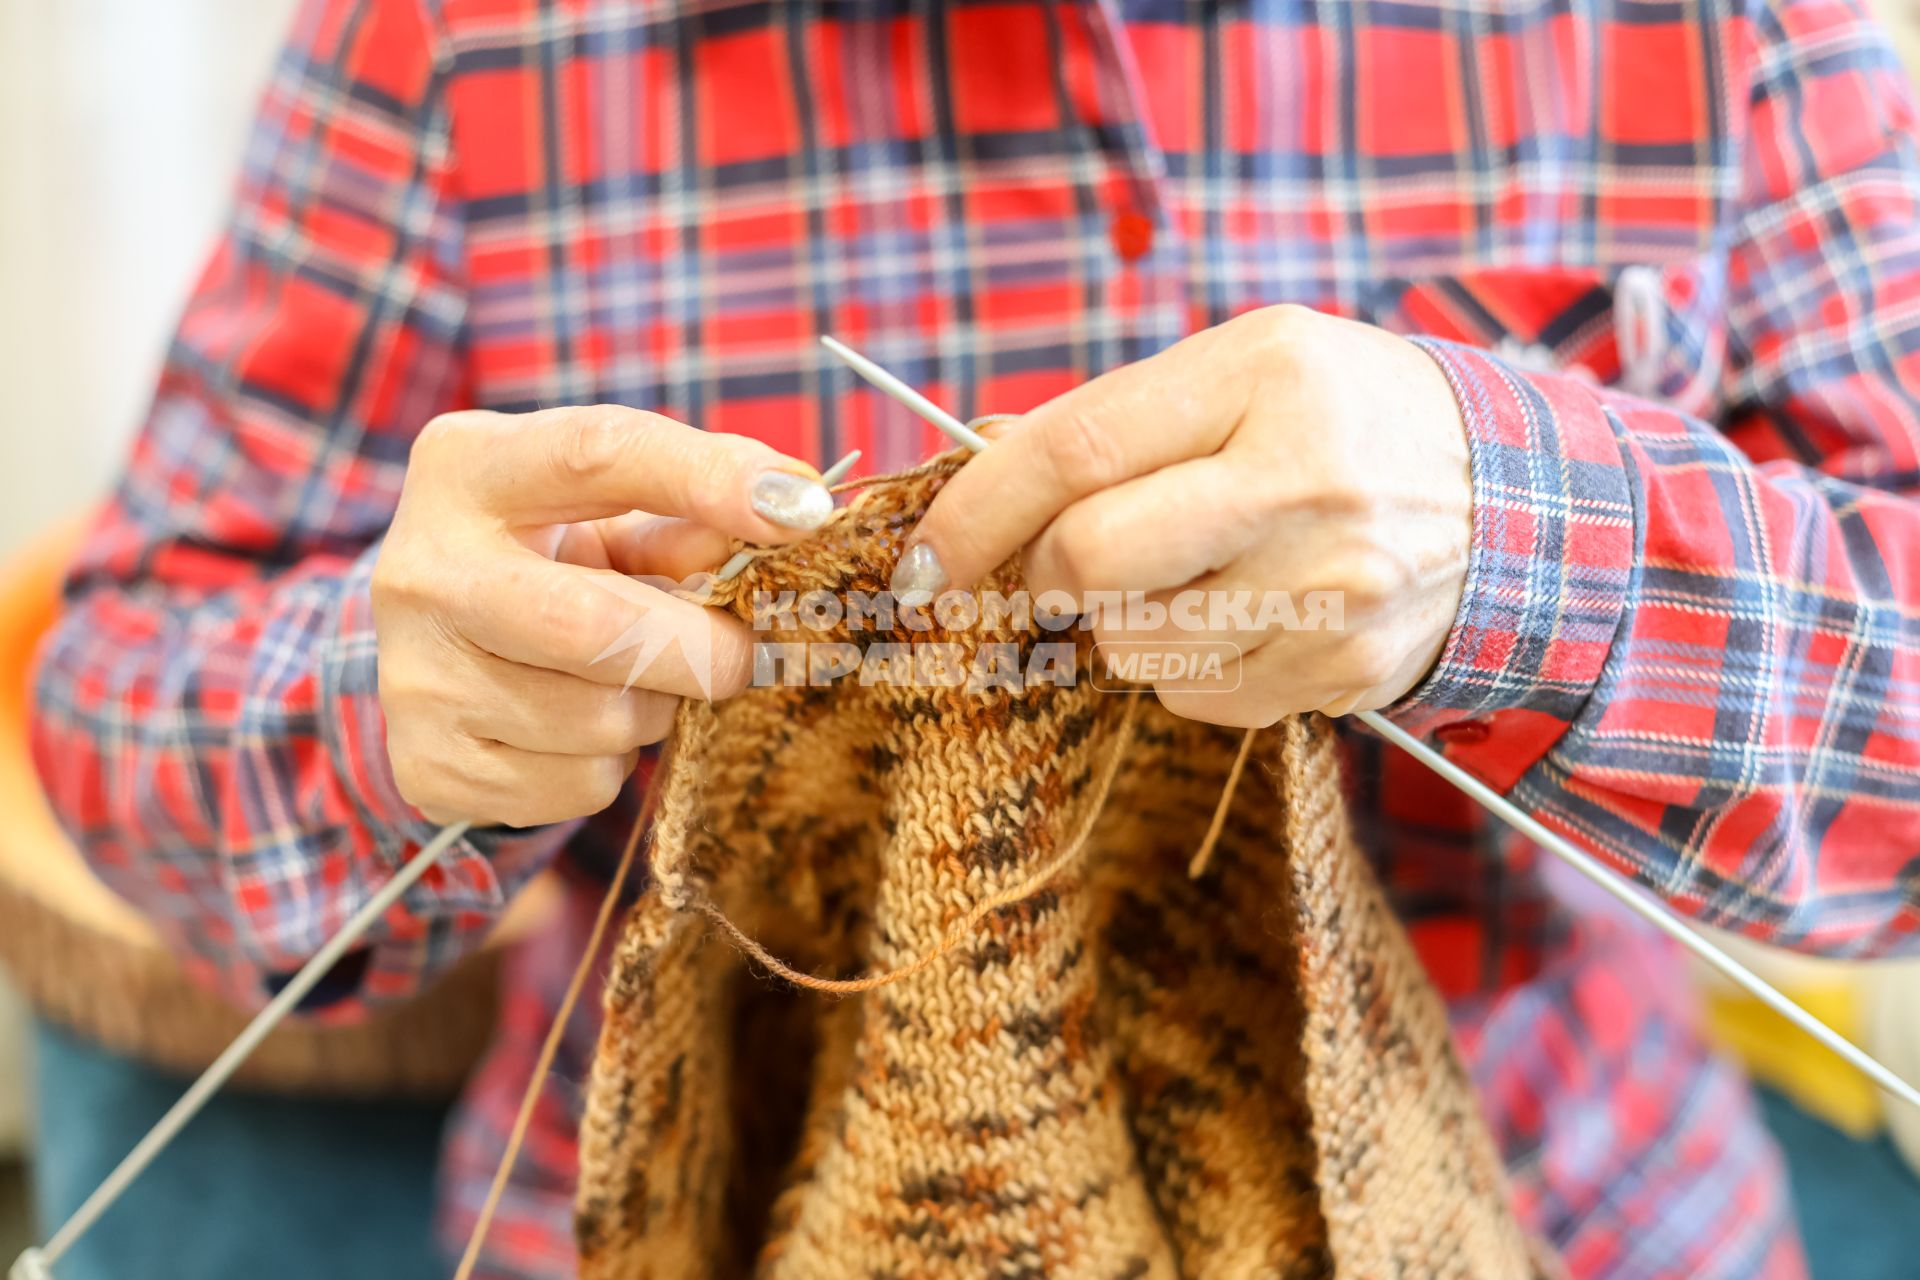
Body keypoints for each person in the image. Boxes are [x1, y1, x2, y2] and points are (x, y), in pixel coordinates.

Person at [29, 0, 1920, 1274]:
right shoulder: (459, 41)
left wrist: (1527, 544)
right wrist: (391, 706)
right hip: (708, 1197)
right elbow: (118, 688)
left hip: (1556, 1197)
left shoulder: (1714, 27)